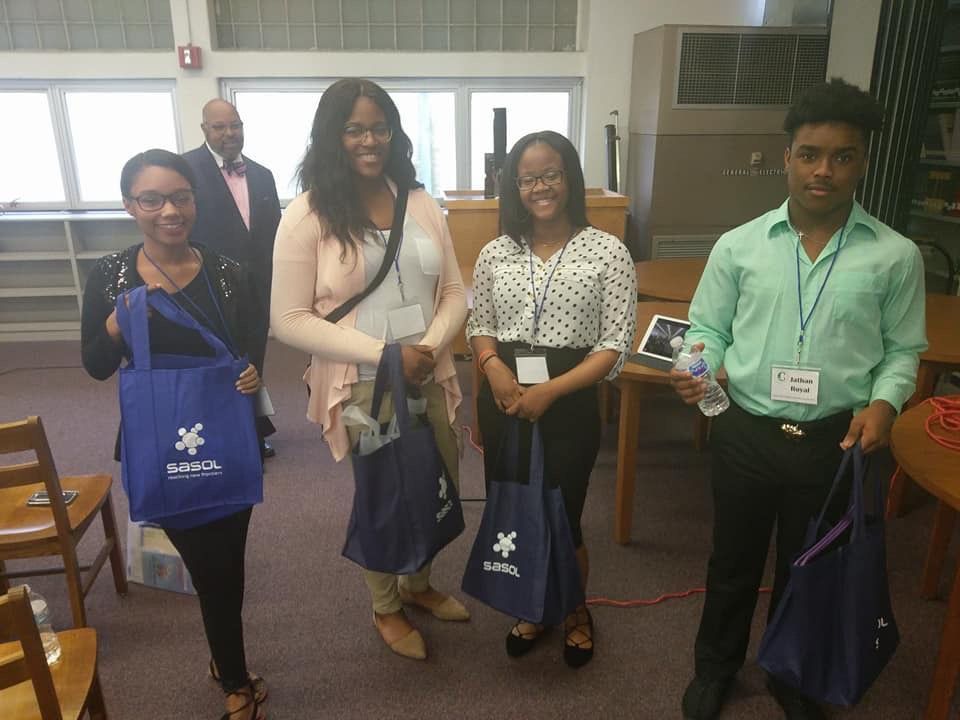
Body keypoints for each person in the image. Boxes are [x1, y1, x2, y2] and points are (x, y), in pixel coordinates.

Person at [671, 78, 927, 720]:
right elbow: (706, 330)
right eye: (811, 154)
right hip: (746, 430)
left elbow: (902, 351)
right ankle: (716, 667)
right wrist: (698, 367)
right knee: (731, 558)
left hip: (836, 441)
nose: (824, 171)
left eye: (843, 157)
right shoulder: (740, 245)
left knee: (808, 566)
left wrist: (887, 404)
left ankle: (792, 671)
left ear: (862, 163)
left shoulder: (895, 256)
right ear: (787, 157)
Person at [270, 78, 469, 661]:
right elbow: (288, 317)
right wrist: (383, 355)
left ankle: (419, 583)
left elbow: (455, 290)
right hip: (363, 382)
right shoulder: (308, 213)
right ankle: (385, 604)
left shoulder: (420, 200)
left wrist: (428, 347)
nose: (368, 139)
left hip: (428, 370)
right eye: (354, 128)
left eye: (378, 126)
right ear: (332, 135)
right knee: (385, 491)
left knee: (438, 478)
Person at [81, 149, 267, 720]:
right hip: (163, 442)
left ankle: (228, 670)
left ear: (195, 201)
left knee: (226, 566)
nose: (169, 210)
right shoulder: (111, 275)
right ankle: (231, 673)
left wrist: (252, 370)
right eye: (152, 199)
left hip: (228, 437)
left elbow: (248, 345)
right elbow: (95, 365)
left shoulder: (229, 273)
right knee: (210, 566)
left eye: (181, 197)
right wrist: (118, 320)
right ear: (129, 206)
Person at [466, 130, 637, 668]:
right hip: (504, 393)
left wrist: (552, 392)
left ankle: (574, 611)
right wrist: (492, 367)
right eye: (528, 178)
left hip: (569, 394)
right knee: (515, 503)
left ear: (570, 179)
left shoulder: (608, 250)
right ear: (514, 187)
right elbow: (481, 323)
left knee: (564, 513)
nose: (540, 187)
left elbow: (616, 344)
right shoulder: (495, 252)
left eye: (551, 174)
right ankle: (534, 607)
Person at [183, 98, 282, 460]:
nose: (229, 134)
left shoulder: (262, 174)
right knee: (216, 360)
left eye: (235, 125)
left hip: (255, 287)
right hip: (206, 285)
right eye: (219, 127)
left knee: (253, 358)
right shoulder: (186, 171)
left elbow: (274, 235)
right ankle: (221, 434)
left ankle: (252, 431)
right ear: (205, 130)